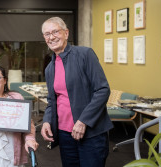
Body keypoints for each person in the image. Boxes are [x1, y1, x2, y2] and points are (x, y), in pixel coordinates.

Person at [40, 17, 114, 167]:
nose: (51, 37)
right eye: (47, 34)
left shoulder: (85, 54)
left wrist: (83, 121)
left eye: (55, 32)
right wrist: (47, 120)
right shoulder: (50, 69)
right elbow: (52, 100)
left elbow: (102, 90)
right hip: (65, 134)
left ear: (66, 33)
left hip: (90, 132)